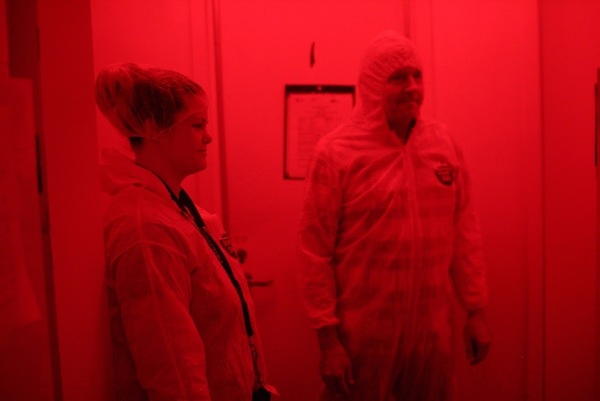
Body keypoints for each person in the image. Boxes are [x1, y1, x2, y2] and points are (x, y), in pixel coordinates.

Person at [298, 31, 491, 401]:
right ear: (372, 86)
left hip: (431, 332)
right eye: (398, 78)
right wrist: (327, 338)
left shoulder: (442, 144)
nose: (412, 87)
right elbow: (314, 251)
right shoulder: (338, 152)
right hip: (362, 335)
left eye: (417, 76)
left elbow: (464, 232)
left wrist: (476, 310)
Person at [96, 63, 275, 401]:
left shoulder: (175, 210)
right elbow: (172, 368)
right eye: (197, 125)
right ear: (153, 127)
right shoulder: (146, 230)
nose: (208, 136)